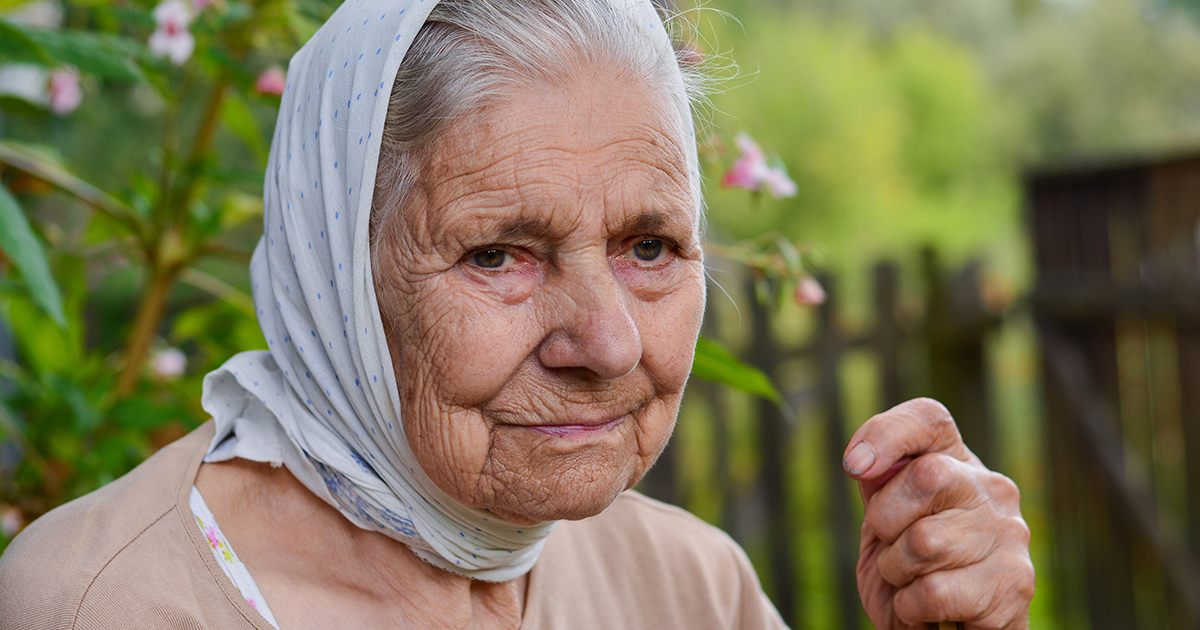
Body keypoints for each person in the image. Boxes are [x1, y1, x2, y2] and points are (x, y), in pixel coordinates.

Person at [0, 0, 1034, 628]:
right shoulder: (104, 607)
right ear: (335, 277)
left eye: (649, 247)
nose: (610, 343)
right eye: (498, 254)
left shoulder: (686, 590)